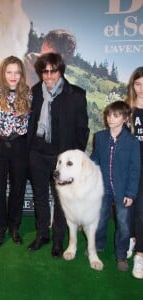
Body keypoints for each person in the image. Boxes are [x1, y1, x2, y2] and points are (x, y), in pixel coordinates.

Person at [27, 53, 89, 257]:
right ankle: (42, 235)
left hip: (63, 160)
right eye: (44, 71)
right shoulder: (35, 92)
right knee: (40, 197)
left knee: (62, 200)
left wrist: (76, 158)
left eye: (53, 70)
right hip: (37, 155)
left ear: (61, 70)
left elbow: (82, 129)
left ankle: (57, 241)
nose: (49, 75)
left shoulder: (76, 94)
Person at [91, 101, 140, 272]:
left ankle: (121, 255)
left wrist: (131, 193)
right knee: (100, 218)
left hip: (123, 191)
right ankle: (98, 245)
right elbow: (95, 159)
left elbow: (135, 170)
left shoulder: (132, 142)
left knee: (123, 224)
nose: (110, 118)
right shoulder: (100, 137)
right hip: (103, 190)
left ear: (125, 118)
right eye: (109, 114)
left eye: (116, 115)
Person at [0, 56, 32, 247]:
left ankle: (14, 227)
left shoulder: (28, 94)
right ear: (3, 73)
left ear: (21, 74)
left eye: (17, 72)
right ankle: (0, 228)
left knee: (18, 188)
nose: (13, 76)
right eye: (9, 72)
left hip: (20, 147)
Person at [125, 66, 143, 278]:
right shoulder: (127, 110)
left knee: (141, 212)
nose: (141, 89)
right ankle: (130, 238)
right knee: (126, 208)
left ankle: (140, 255)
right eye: (138, 84)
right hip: (129, 168)